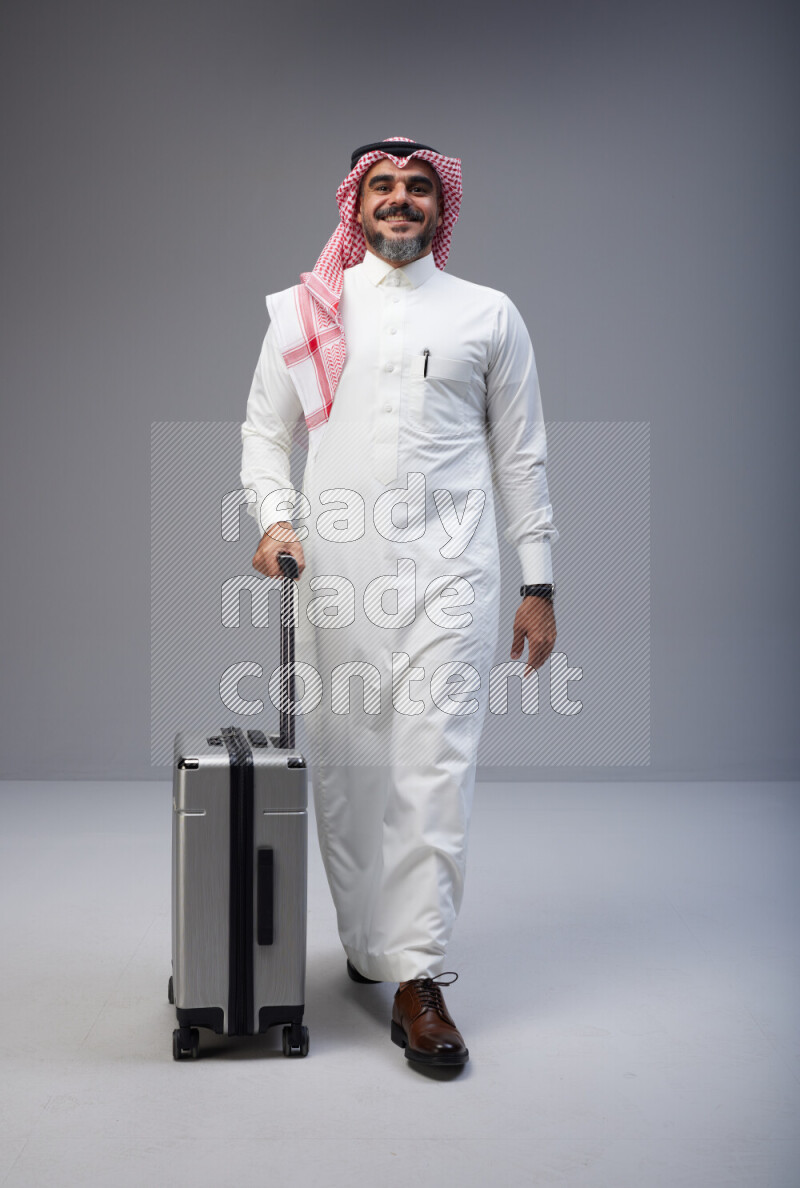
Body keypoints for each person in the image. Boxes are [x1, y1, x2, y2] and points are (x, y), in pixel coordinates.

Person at [240, 137, 558, 1069]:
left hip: (453, 580)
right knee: (348, 772)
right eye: (384, 187)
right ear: (356, 203)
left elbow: (522, 456)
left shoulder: (487, 315)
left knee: (436, 763)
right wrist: (274, 519)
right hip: (338, 576)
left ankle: (419, 977)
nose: (402, 201)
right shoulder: (307, 312)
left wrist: (538, 581)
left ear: (441, 206)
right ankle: (372, 944)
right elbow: (266, 433)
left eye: (420, 188)